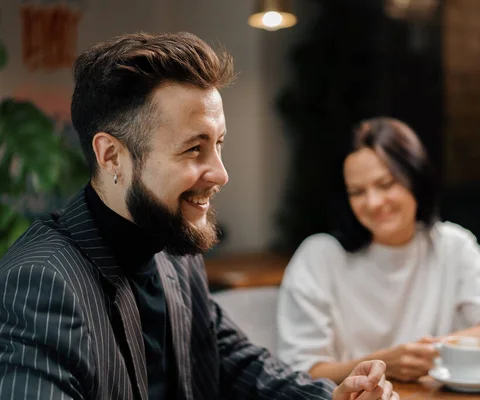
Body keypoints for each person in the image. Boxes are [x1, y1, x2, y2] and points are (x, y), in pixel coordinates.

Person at [0, 32, 399, 400]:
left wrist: (331, 397)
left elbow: (230, 358)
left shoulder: (175, 245)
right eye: (194, 149)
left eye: (218, 144)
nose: (221, 174)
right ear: (111, 156)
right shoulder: (41, 280)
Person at [277, 117, 480, 384]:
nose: (373, 203)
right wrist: (383, 365)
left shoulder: (451, 244)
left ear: (415, 179)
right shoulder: (319, 258)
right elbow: (302, 374)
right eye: (357, 192)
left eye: (386, 185)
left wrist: (430, 350)